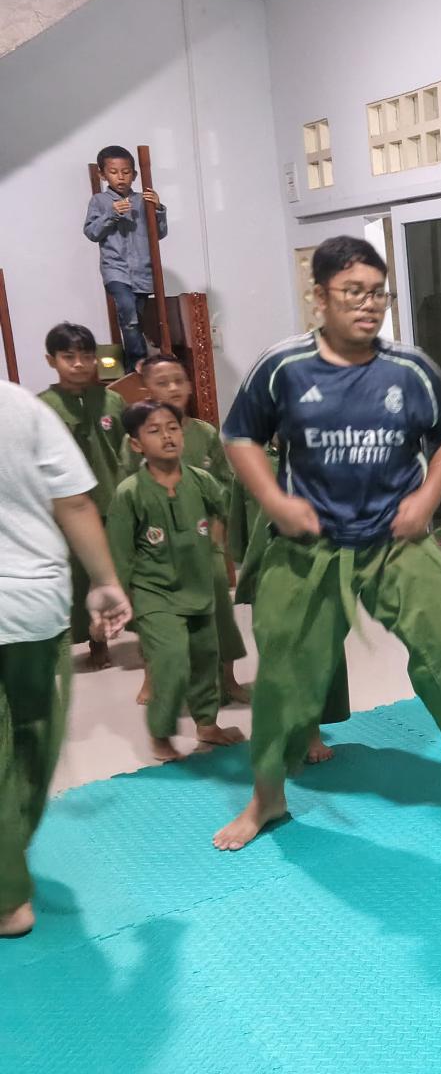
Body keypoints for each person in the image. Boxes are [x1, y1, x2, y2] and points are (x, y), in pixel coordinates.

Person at [212, 235, 441, 851]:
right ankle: (267, 799)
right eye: (352, 292)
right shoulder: (282, 366)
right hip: (309, 546)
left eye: (377, 293)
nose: (368, 305)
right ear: (320, 298)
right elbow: (239, 436)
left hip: (396, 540)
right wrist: (276, 502)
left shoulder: (409, 368)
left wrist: (426, 500)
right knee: (284, 674)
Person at [0, 381, 133, 938]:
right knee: (31, 733)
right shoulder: (20, 406)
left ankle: (7, 889)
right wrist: (105, 581)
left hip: (26, 600)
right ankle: (9, 880)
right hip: (28, 600)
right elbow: (75, 501)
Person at [108, 401, 244, 761]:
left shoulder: (201, 481)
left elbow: (222, 509)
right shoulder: (130, 492)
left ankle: (207, 725)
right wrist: (119, 603)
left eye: (172, 427)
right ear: (136, 444)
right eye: (154, 431)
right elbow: (120, 553)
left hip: (198, 587)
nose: (167, 436)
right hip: (154, 594)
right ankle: (161, 734)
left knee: (205, 658)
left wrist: (215, 545)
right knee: (171, 662)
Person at [131, 354, 251, 705]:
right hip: (157, 546)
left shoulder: (204, 433)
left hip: (203, 542)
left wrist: (217, 533)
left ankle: (227, 679)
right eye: (162, 382)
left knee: (219, 612)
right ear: (146, 389)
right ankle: (153, 677)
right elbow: (130, 489)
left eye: (178, 380)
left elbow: (224, 485)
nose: (172, 388)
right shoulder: (136, 439)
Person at [226, 437, 350, 764]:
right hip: (268, 568)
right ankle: (286, 728)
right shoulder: (251, 465)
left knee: (317, 650)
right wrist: (246, 565)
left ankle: (311, 730)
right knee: (278, 652)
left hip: (318, 567)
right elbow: (239, 525)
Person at [37, 322, 127, 669]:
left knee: (117, 572)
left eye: (86, 356)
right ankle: (84, 641)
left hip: (114, 499)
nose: (78, 364)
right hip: (66, 509)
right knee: (76, 577)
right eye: (68, 356)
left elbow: (128, 449)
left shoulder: (113, 400)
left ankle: (115, 636)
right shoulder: (43, 407)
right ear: (51, 360)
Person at [83, 145, 167, 375]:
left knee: (136, 319)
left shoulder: (143, 200)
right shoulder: (99, 201)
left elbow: (159, 233)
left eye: (126, 172)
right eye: (113, 172)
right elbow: (91, 232)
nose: (120, 177)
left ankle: (134, 364)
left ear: (135, 174)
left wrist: (158, 208)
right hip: (115, 270)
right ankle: (139, 362)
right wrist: (112, 213)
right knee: (128, 312)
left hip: (143, 271)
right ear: (102, 175)